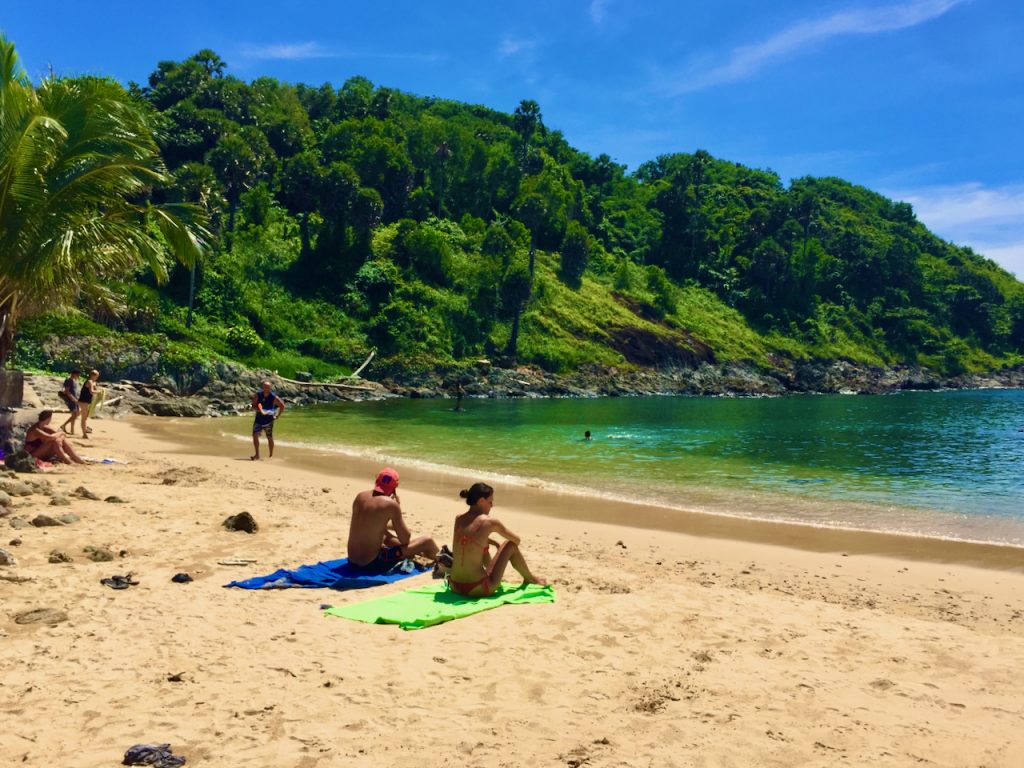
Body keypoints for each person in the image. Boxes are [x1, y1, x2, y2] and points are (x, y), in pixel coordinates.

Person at [447, 482, 546, 597]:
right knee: (510, 544)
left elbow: (470, 538)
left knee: (480, 544)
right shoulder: (489, 522)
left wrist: (493, 542)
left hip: (455, 586)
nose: (492, 505)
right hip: (478, 588)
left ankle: (527, 578)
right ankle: (530, 578)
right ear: (481, 501)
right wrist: (498, 543)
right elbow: (516, 540)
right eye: (490, 502)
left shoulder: (459, 519)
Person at [347, 468, 439, 572]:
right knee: (427, 541)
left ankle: (417, 551)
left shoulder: (360, 496)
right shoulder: (390, 504)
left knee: (385, 535)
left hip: (352, 560)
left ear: (376, 481)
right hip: (372, 564)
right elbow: (405, 539)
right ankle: (444, 563)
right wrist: (397, 508)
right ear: (394, 488)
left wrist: (392, 520)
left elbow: (373, 523)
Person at [251, 381, 284, 460]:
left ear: (270, 388)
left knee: (269, 437)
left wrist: (277, 416)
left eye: (268, 388)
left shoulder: (273, 397)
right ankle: (257, 454)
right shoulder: (258, 395)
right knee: (255, 435)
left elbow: (282, 406)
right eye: (265, 387)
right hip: (259, 419)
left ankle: (270, 455)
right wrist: (258, 410)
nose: (266, 389)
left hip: (268, 420)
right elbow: (253, 405)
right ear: (263, 388)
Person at [78, 369, 100, 439]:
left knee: (85, 417)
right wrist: (99, 392)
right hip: (83, 401)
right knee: (83, 418)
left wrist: (101, 392)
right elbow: (91, 391)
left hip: (87, 402)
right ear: (92, 375)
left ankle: (85, 430)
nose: (97, 377)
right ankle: (84, 434)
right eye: (96, 376)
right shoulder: (89, 381)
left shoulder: (93, 382)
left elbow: (95, 390)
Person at [58, 369, 81, 435]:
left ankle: (72, 430)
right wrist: (74, 399)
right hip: (71, 400)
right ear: (74, 374)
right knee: (75, 415)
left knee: (75, 414)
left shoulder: (73, 380)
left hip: (74, 399)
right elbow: (67, 391)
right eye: (77, 375)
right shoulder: (68, 380)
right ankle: (64, 426)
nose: (78, 376)